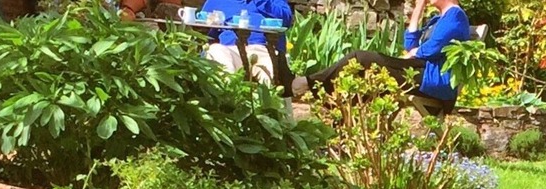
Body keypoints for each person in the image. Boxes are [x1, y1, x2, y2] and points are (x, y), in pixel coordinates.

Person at [291, 0, 469, 110]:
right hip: (418, 71)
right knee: (363, 74)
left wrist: (415, 52)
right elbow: (410, 44)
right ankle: (339, 125)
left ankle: (309, 83)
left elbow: (431, 49)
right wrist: (418, 7)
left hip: (433, 80)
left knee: (361, 58)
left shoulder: (456, 16)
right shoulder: (437, 19)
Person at [201, 0, 293, 85]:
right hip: (231, 51)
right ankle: (229, 96)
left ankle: (268, 100)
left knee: (269, 75)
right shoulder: (216, 2)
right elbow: (203, 27)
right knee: (216, 51)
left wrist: (262, 2)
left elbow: (287, 19)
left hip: (263, 50)